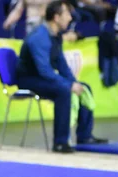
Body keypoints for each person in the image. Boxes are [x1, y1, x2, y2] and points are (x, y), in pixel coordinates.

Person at [15, 0, 108, 153]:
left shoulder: (55, 35)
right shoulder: (39, 37)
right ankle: (60, 142)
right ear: (56, 18)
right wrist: (69, 85)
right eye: (67, 14)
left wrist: (75, 83)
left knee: (84, 88)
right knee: (63, 91)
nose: (70, 18)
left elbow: (61, 65)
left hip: (41, 77)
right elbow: (44, 70)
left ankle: (85, 136)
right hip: (29, 80)